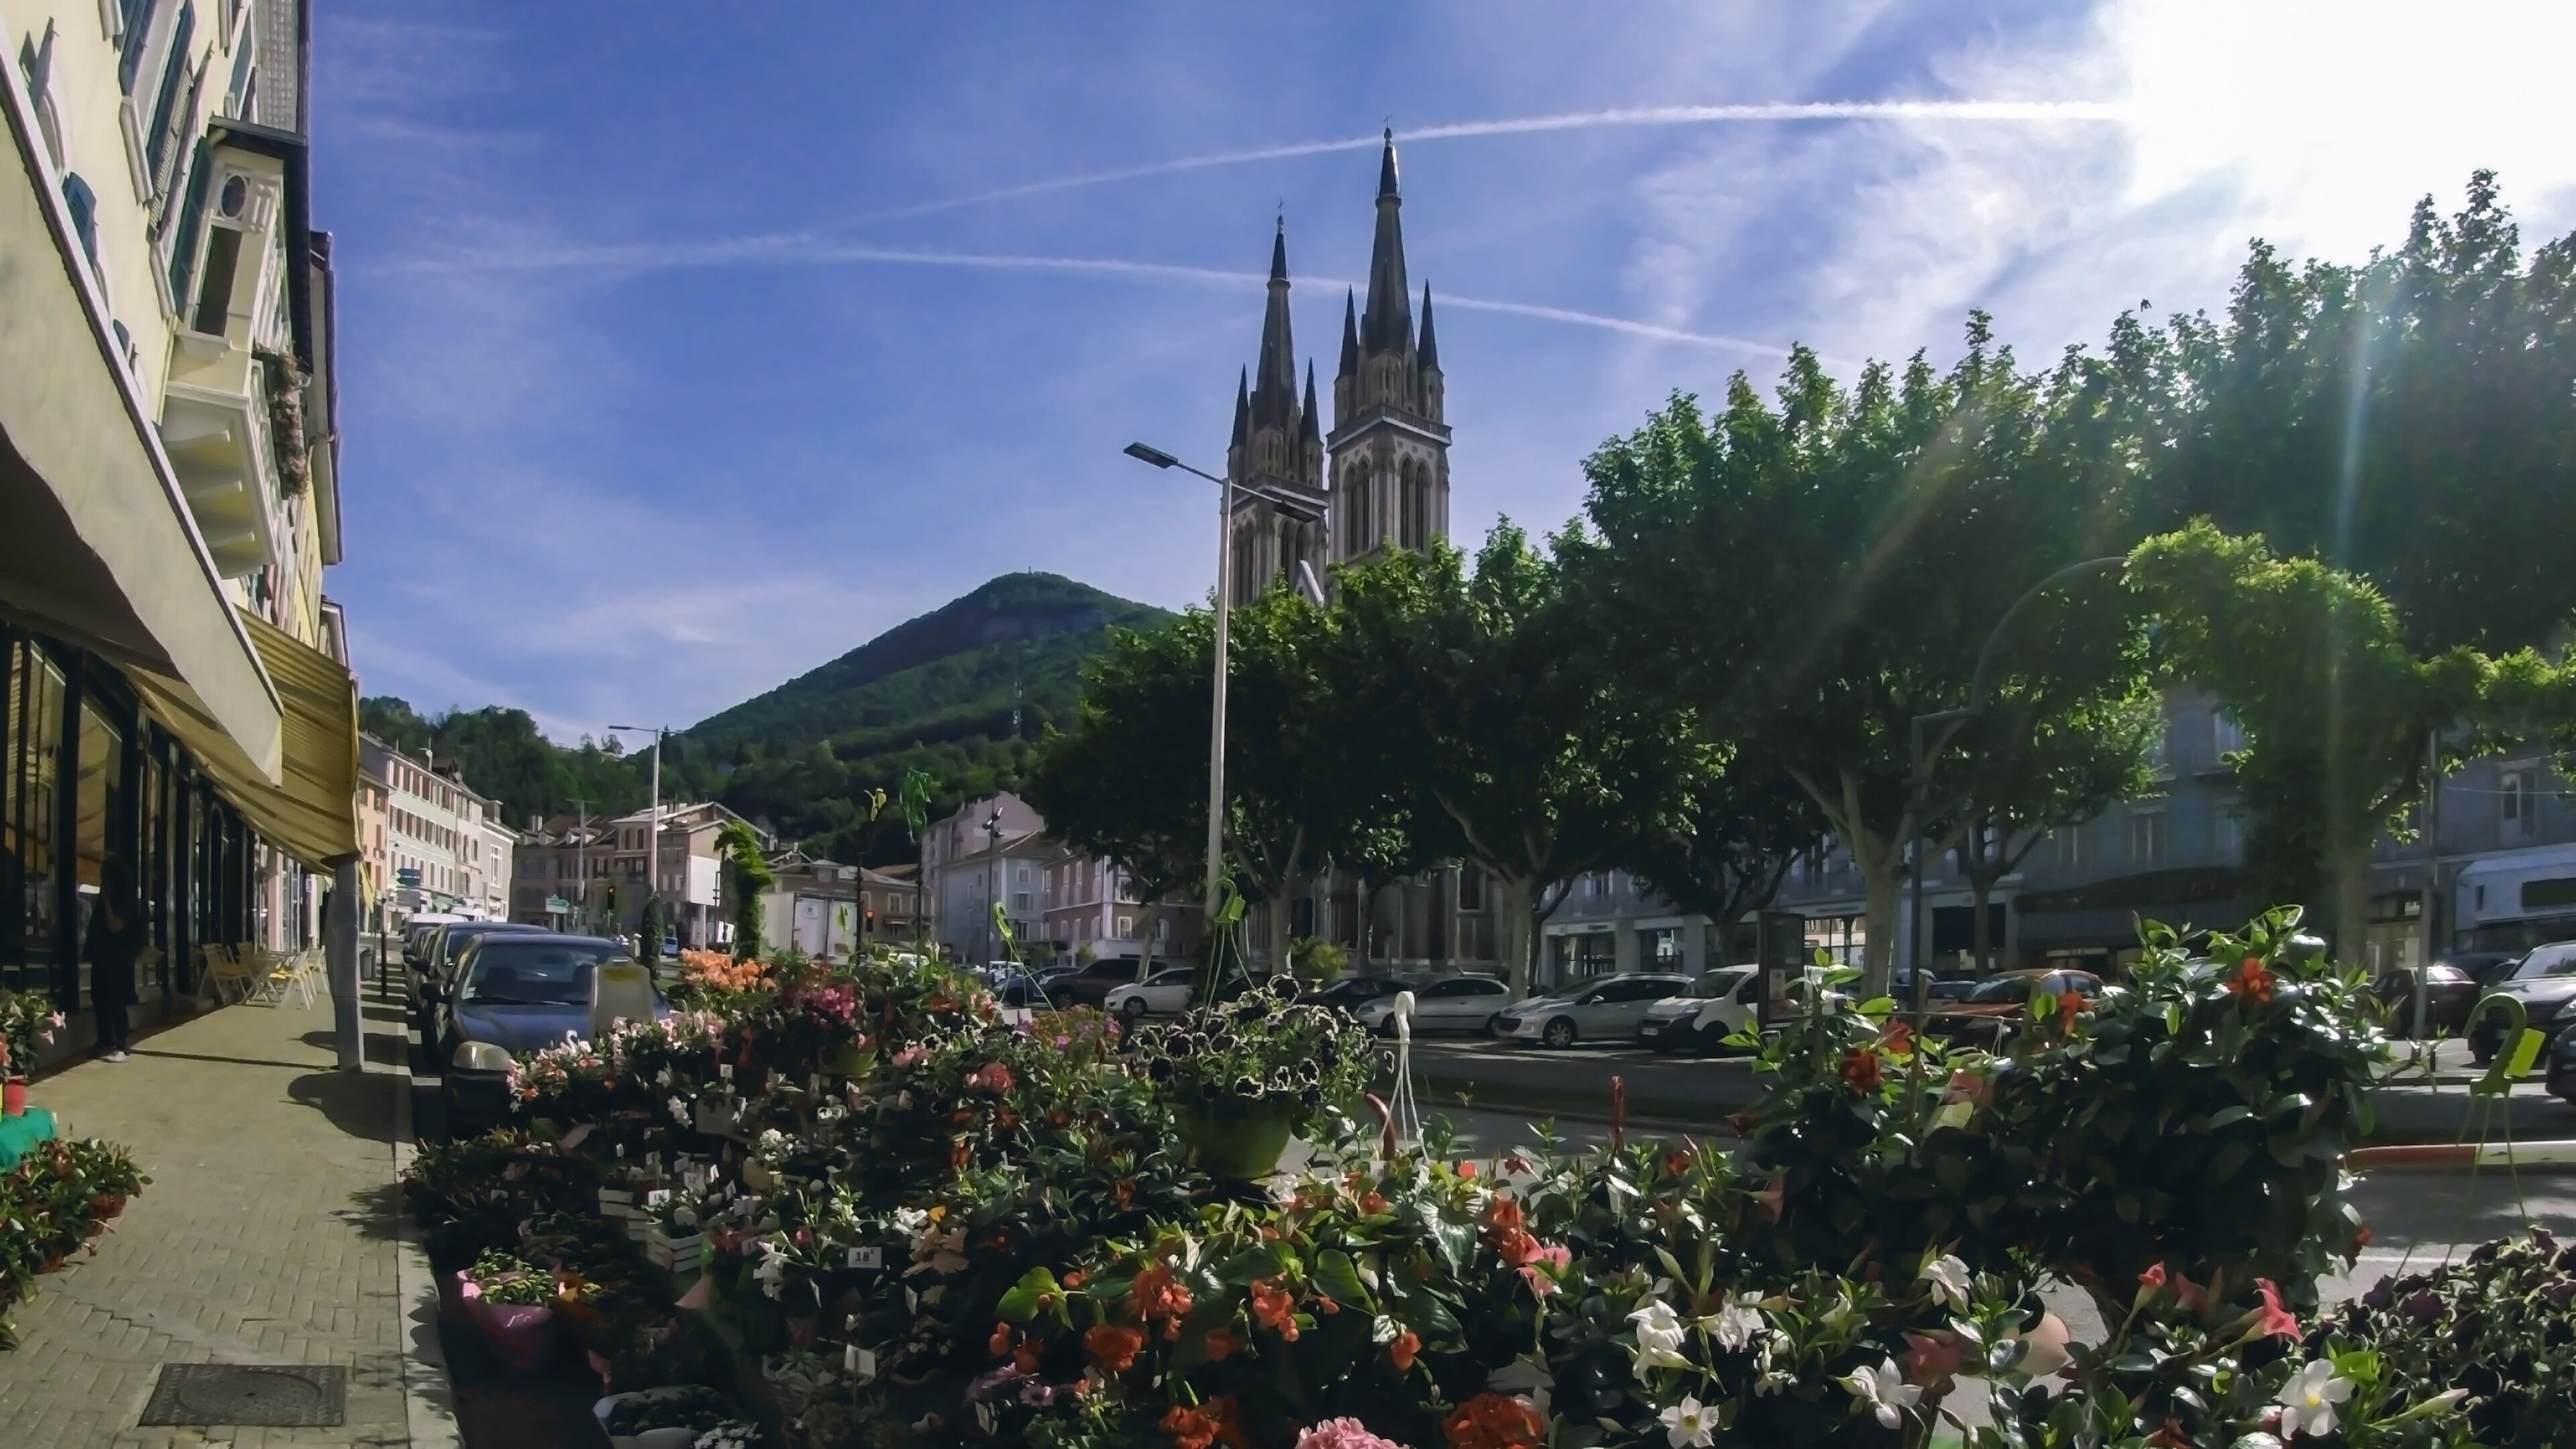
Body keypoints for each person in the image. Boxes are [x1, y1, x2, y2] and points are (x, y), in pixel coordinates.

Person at [87, 857, 143, 1063]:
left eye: (104, 875)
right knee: (99, 999)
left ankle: (121, 1045)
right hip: (102, 958)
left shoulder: (123, 900)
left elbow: (115, 926)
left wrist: (108, 900)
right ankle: (105, 1039)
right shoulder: (105, 900)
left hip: (118, 960)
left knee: (116, 1002)